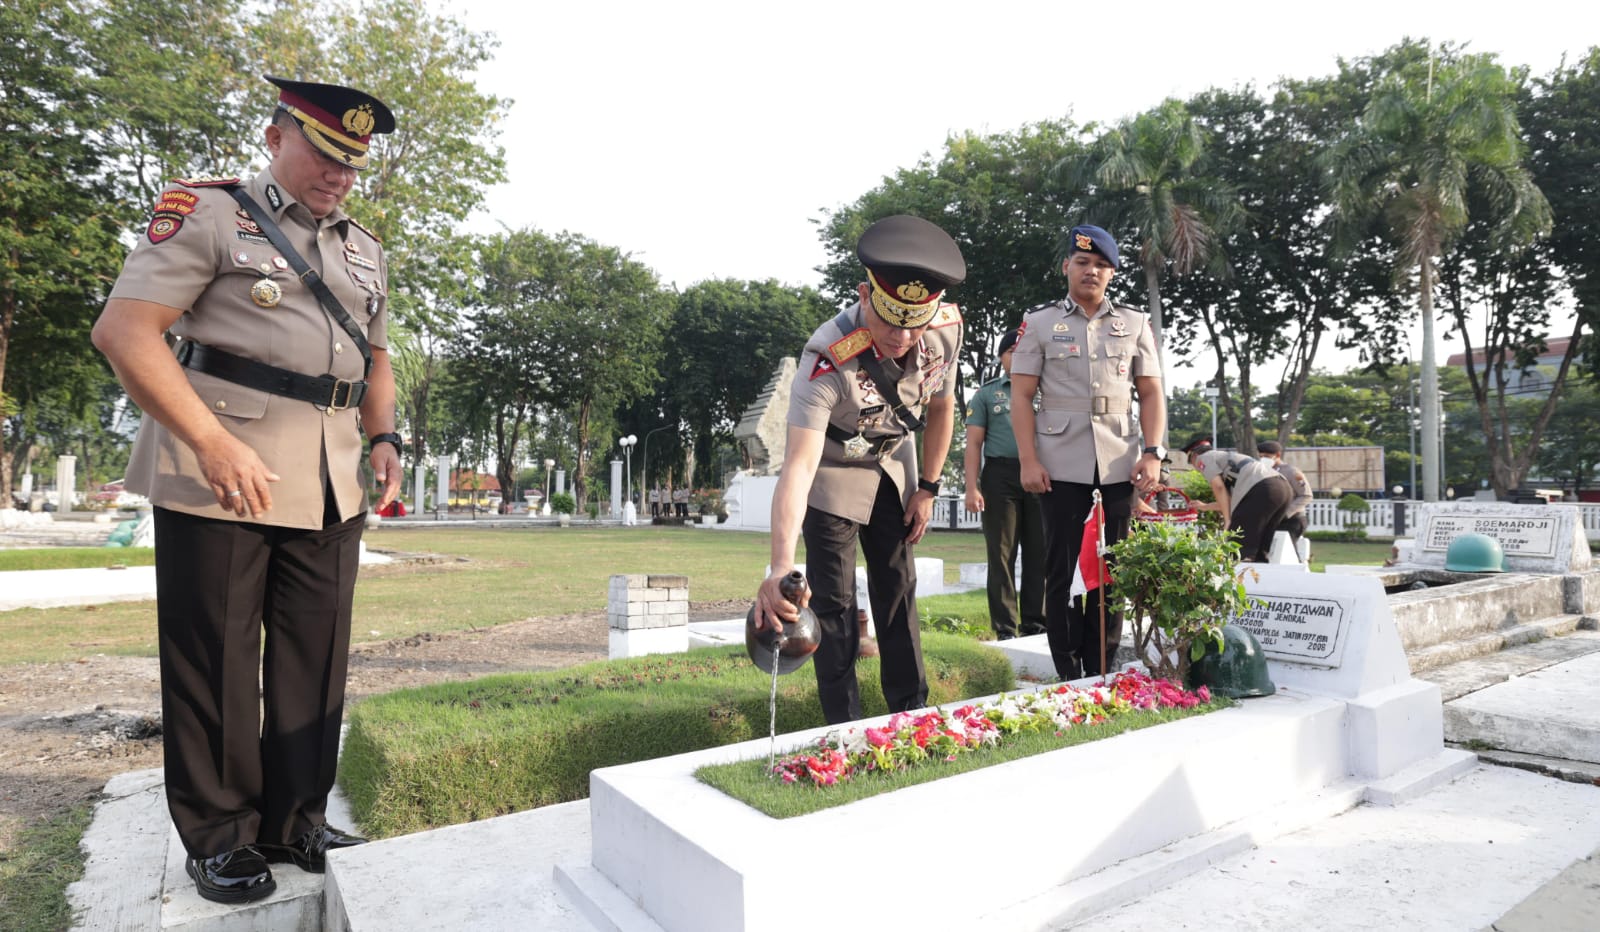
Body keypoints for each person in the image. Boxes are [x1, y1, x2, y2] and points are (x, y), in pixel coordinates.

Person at [91, 75, 398, 905]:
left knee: (315, 657)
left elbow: (375, 355)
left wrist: (383, 435)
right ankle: (220, 835)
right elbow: (125, 331)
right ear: (275, 137)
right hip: (221, 470)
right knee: (216, 660)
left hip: (333, 477)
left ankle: (294, 817)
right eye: (325, 155)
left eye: (353, 164)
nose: (338, 175)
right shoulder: (209, 213)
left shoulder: (363, 248)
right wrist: (211, 443)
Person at [752, 214, 965, 724]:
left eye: (914, 324)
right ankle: (842, 728)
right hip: (830, 475)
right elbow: (798, 467)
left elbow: (942, 407)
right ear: (864, 296)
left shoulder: (943, 330)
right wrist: (781, 564)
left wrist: (930, 487)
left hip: (892, 466)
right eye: (890, 321)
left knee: (897, 591)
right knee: (835, 606)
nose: (902, 337)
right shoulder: (826, 358)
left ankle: (912, 715)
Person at [1010, 225, 1167, 681]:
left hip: (1119, 458)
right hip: (1058, 460)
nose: (1091, 271)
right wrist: (1028, 459)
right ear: (1066, 267)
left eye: (1101, 265)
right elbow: (1022, 397)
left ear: (1112, 273)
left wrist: (1153, 452)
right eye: (1082, 263)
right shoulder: (1039, 322)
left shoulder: (1134, 323)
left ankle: (1102, 666)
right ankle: (1067, 670)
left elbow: (1152, 393)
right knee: (1059, 568)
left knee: (1113, 567)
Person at [963, 327, 1046, 640]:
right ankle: (1006, 628)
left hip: (1041, 474)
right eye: (1013, 351)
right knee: (1001, 554)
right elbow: (973, 444)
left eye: (1026, 351)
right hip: (1000, 477)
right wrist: (972, 487)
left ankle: (1037, 625)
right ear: (1002, 357)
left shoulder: (1047, 391)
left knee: (1041, 552)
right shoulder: (987, 394)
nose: (1019, 357)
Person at [1181, 436, 1294, 562]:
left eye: (1191, 463)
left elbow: (1218, 487)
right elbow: (1231, 501)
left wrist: (1228, 520)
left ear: (1194, 456)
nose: (1195, 468)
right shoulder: (1226, 458)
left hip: (1261, 489)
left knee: (1237, 544)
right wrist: (1205, 506)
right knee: (1260, 548)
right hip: (1282, 489)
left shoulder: (1204, 458)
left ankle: (1239, 577)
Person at [1257, 440, 1312, 546]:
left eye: (1267, 456)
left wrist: (1285, 513)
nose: (1264, 459)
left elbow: (1306, 495)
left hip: (1292, 519)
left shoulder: (1292, 472)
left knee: (1286, 549)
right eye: (1261, 456)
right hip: (1272, 520)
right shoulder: (1262, 472)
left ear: (1278, 455)